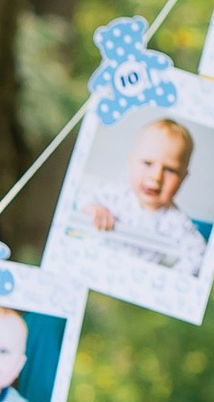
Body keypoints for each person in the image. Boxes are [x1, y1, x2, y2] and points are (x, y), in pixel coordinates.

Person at [67, 116, 205, 284]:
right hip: (93, 266)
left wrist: (168, 281)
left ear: (183, 178)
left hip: (134, 282)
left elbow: (198, 253)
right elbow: (82, 192)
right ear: (130, 162)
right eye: (147, 163)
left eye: (170, 170)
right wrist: (93, 207)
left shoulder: (175, 222)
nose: (156, 177)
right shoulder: (116, 195)